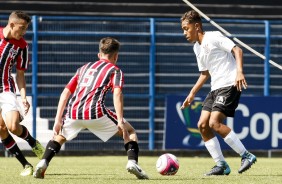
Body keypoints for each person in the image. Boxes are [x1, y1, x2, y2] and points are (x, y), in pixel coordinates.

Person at [33, 37, 149, 180]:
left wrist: (57, 120)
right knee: (130, 131)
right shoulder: (115, 70)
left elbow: (65, 94)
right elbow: (117, 93)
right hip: (96, 112)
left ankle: (43, 162)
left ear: (99, 55)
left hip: (73, 112)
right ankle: (132, 162)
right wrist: (120, 120)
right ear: (116, 56)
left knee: (60, 136)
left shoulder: (83, 68)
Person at [180, 10, 257, 176]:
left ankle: (246, 155)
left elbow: (238, 50)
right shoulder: (196, 48)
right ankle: (221, 165)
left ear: (197, 26)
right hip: (215, 88)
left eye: (186, 28)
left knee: (214, 123)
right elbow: (205, 73)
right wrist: (192, 93)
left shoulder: (213, 37)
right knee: (202, 125)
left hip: (229, 84)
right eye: (183, 30)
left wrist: (239, 72)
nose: (185, 33)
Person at [0, 11, 45, 176]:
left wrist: (24, 97)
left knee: (12, 126)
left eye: (26, 28)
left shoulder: (22, 46)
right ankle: (26, 165)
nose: (24, 32)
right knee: (2, 129)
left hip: (5, 88)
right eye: (23, 27)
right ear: (12, 24)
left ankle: (33, 143)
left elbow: (20, 75)